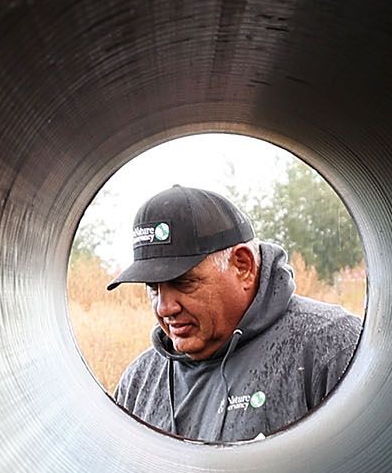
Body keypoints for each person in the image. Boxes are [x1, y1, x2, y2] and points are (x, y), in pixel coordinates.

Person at [105, 185, 362, 443]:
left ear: (243, 266)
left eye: (183, 283)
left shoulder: (330, 348)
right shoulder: (139, 382)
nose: (164, 308)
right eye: (152, 288)